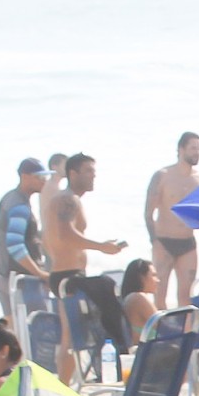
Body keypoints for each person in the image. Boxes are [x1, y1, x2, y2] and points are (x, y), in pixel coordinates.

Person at [43, 153, 131, 380]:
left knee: (71, 337)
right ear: (73, 174)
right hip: (67, 277)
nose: (94, 176)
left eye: (94, 171)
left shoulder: (69, 199)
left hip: (68, 274)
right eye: (88, 171)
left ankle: (66, 385)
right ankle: (65, 386)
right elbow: (65, 234)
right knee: (70, 338)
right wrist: (101, 247)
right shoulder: (67, 200)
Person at [145, 132, 199, 309]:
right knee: (159, 294)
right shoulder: (163, 176)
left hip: (188, 243)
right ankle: (160, 326)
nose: (197, 152)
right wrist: (154, 242)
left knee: (186, 297)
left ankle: (185, 326)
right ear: (181, 149)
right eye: (193, 148)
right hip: (164, 242)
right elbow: (148, 213)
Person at [0, 158, 51, 323]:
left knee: (13, 326)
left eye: (45, 177)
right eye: (40, 177)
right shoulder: (19, 206)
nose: (44, 181)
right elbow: (15, 246)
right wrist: (40, 274)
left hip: (1, 271)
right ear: (25, 177)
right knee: (37, 324)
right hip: (17, 277)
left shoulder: (11, 197)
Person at [120, 258, 158, 341]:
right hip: (147, 348)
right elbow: (161, 325)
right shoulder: (139, 298)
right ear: (142, 278)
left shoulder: (130, 298)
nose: (158, 280)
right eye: (153, 275)